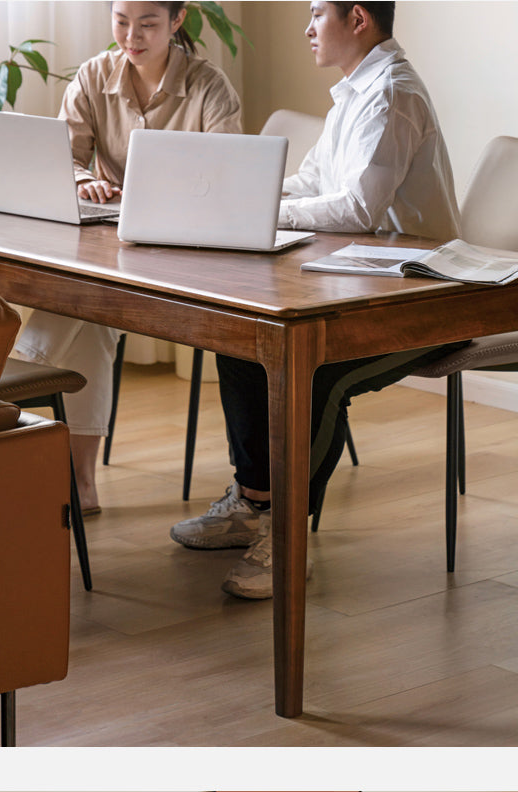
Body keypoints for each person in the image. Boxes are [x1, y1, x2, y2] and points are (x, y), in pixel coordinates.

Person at [170, 1, 467, 600]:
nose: (306, 29)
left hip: (418, 297)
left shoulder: (391, 95)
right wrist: (246, 195)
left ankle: (287, 535)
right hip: (363, 280)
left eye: (317, 14)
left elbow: (356, 208)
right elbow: (313, 183)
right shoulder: (354, 92)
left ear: (357, 19)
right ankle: (254, 501)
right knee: (241, 336)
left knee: (318, 373)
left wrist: (262, 212)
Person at [12, 1, 242, 513]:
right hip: (113, 249)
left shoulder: (209, 86)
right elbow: (65, 158)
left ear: (177, 21)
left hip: (186, 256)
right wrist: (84, 181)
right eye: (121, 21)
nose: (131, 36)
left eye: (148, 24)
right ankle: (81, 484)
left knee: (83, 301)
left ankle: (3, 378)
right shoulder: (94, 76)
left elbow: (227, 176)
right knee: (91, 321)